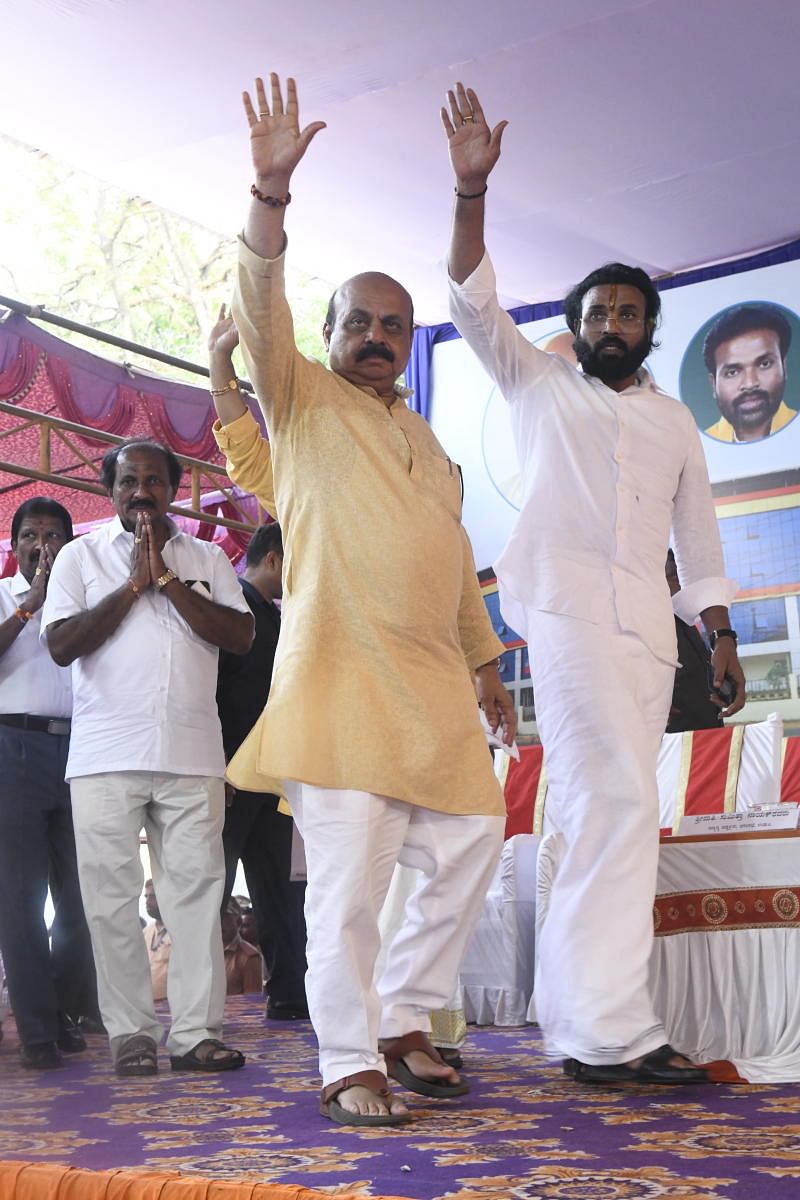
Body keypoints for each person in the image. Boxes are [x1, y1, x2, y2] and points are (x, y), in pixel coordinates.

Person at [212, 72, 516, 1126]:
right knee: (343, 892)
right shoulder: (298, 404)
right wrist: (269, 195)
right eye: (361, 322)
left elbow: (452, 556)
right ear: (331, 331)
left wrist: (486, 667)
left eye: (395, 326)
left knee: (473, 839)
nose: (379, 337)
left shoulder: (426, 441)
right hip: (338, 684)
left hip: (432, 690)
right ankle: (349, 1058)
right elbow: (258, 307)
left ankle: (402, 1016)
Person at [442, 83, 746, 1086]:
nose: (609, 320)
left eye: (626, 310)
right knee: (605, 801)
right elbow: (470, 301)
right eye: (595, 310)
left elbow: (695, 534)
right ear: (573, 324)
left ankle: (586, 1026)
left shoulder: (670, 424)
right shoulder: (538, 383)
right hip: (566, 617)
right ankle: (607, 1032)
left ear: (649, 327)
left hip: (647, 635)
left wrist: (720, 633)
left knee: (607, 812)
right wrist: (470, 189)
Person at [41, 438, 254, 1078]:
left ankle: (194, 1036)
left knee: (195, 897)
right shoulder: (79, 556)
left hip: (192, 753)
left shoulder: (209, 557)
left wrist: (166, 578)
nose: (141, 491)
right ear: (110, 492)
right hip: (106, 755)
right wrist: (134, 586)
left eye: (154, 480)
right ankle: (131, 1034)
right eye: (128, 480)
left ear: (172, 489)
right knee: (109, 900)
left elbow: (239, 635)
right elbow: (59, 644)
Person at [208, 319, 309, 1021]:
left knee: (278, 887)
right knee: (209, 885)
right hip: (226, 764)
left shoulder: (284, 615)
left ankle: (288, 995)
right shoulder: (231, 606)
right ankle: (201, 1007)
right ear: (274, 557)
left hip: (270, 770)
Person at [0, 497, 92, 1069]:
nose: (43, 545)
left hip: (81, 746)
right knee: (21, 895)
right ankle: (36, 1028)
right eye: (31, 535)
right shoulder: (3, 596)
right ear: (13, 546)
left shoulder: (82, 603)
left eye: (55, 536)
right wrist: (29, 606)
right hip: (13, 744)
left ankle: (64, 1009)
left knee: (83, 897)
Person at [703, 303, 796, 442]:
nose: (750, 383)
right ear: (713, 384)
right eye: (732, 372)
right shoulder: (699, 447)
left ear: (784, 367)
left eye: (764, 364)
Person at [665, 550, 725, 734]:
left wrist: (720, 691)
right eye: (674, 577)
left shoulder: (687, 624)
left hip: (705, 737)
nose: (682, 585)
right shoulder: (652, 627)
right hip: (672, 742)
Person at [221, 898, 264, 995]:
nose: (220, 923)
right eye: (217, 917)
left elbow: (251, 1006)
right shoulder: (207, 952)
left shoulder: (248, 956)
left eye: (225, 917)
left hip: (231, 1010)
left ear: (238, 922)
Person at [142, 878, 172, 1002]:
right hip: (149, 1005)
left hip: (173, 1005)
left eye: (153, 896)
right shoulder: (145, 932)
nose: (148, 901)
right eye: (146, 896)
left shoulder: (179, 932)